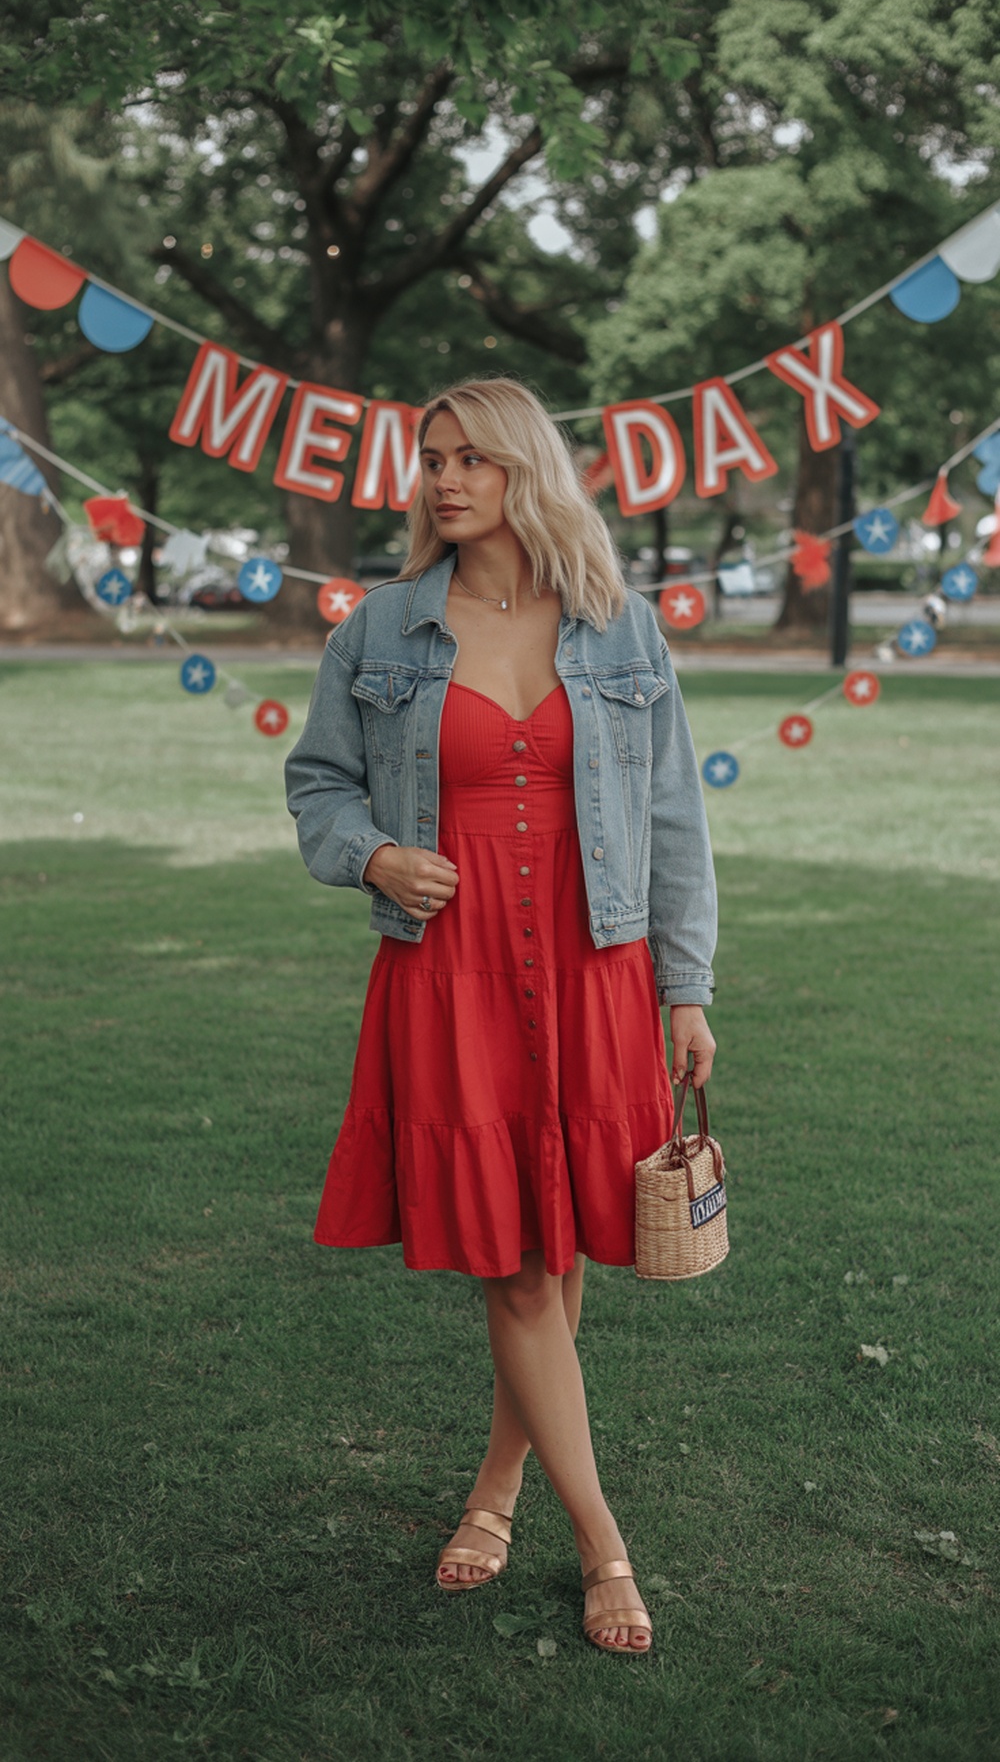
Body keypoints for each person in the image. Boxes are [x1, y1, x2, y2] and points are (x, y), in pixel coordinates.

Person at [284, 377, 717, 1654]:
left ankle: (496, 1491)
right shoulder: (379, 631)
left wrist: (684, 986)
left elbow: (676, 821)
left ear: (528, 471)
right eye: (430, 460)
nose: (444, 480)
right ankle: (605, 1547)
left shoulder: (622, 629)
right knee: (516, 1265)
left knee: (563, 1249)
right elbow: (317, 783)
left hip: (596, 971)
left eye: (472, 458)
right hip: (452, 973)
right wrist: (370, 855)